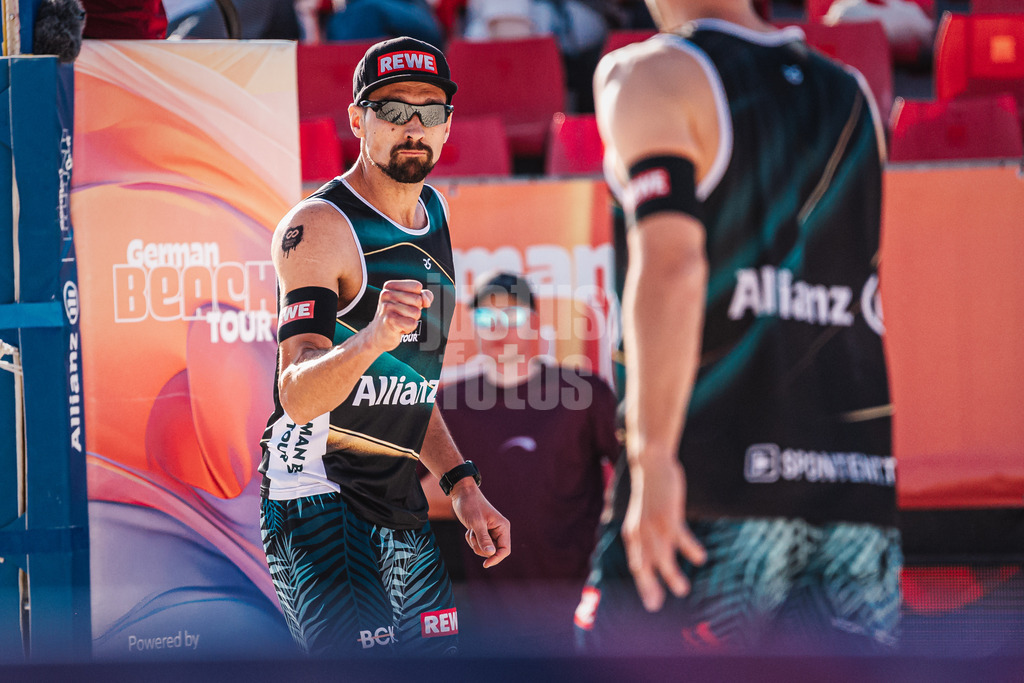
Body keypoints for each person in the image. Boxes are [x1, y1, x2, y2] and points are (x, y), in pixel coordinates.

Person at [576, 0, 900, 655]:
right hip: (852, 491)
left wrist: (654, 458)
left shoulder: (651, 72)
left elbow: (672, 266)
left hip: (708, 484)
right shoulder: (854, 94)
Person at [258, 36, 510, 657]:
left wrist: (461, 484)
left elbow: (408, 387)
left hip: (395, 492)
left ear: (449, 125)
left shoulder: (436, 215)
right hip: (318, 496)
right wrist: (371, 338)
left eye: (428, 111)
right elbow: (296, 395)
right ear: (357, 119)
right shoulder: (317, 228)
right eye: (392, 111)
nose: (412, 126)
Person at [422, 271, 619, 654]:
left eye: (511, 317)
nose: (498, 330)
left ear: (535, 324)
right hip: (484, 615)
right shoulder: (448, 403)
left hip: (576, 604)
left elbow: (634, 476)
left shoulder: (584, 394)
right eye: (485, 319)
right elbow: (404, 496)